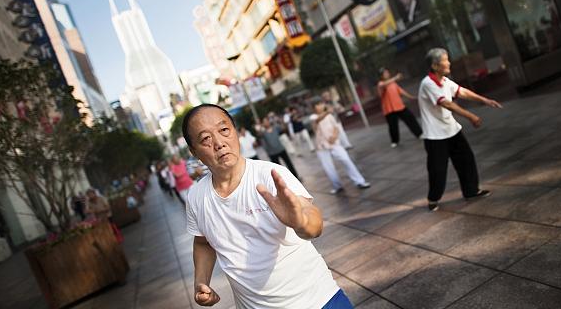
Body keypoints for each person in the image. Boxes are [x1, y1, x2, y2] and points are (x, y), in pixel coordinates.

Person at [181, 104, 352, 308]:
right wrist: (201, 282)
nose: (219, 143)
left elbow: (313, 224)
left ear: (235, 132)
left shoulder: (270, 176)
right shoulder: (196, 196)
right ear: (194, 152)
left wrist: (301, 222)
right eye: (205, 139)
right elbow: (203, 242)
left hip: (318, 300)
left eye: (224, 130)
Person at [419, 48, 503, 211]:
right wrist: (470, 116)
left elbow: (461, 91)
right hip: (435, 135)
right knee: (438, 169)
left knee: (466, 160)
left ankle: (471, 191)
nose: (449, 62)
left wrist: (484, 100)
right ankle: (433, 198)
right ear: (435, 66)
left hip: (451, 129)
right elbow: (447, 103)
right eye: (445, 60)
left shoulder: (444, 80)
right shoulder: (428, 83)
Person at [313, 100, 371, 194]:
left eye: (321, 104)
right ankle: (337, 186)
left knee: (346, 160)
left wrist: (334, 136)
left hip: (334, 143)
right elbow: (316, 121)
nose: (320, 106)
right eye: (318, 104)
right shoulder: (314, 117)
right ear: (314, 107)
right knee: (328, 167)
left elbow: (336, 127)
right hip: (322, 147)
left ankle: (360, 182)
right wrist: (327, 111)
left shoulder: (329, 116)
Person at [377, 68, 423, 148]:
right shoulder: (381, 84)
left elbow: (401, 91)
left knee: (410, 118)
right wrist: (396, 77)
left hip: (399, 106)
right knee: (393, 126)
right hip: (389, 110)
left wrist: (411, 97)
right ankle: (395, 141)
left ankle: (419, 133)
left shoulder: (393, 83)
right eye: (384, 73)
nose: (386, 74)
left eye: (387, 72)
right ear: (381, 76)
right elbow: (383, 85)